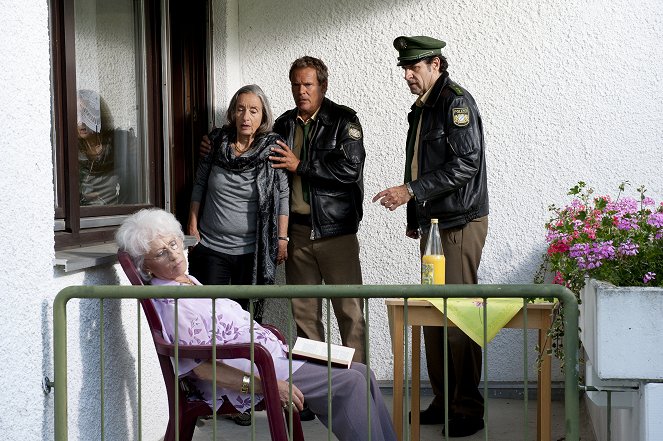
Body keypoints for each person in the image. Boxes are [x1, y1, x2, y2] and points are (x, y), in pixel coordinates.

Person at [115, 208, 397, 441]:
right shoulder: (172, 304)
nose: (174, 254)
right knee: (349, 383)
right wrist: (266, 386)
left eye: (174, 243)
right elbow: (201, 368)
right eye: (161, 253)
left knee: (361, 371)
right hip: (257, 373)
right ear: (147, 266)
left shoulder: (187, 282)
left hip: (274, 358)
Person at [373, 36, 489, 437]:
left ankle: (469, 408)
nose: (407, 75)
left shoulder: (455, 103)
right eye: (404, 68)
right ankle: (445, 401)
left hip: (459, 223)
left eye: (414, 67)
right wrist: (415, 215)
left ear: (436, 64)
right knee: (436, 314)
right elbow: (419, 165)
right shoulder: (422, 108)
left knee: (459, 316)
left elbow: (466, 165)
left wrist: (411, 193)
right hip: (435, 224)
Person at [268, 56, 367, 365]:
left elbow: (350, 169)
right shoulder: (284, 123)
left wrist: (302, 166)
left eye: (308, 84)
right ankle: (316, 390)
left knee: (350, 314)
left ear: (323, 85)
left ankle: (358, 389)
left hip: (335, 232)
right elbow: (260, 154)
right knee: (305, 317)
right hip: (297, 233)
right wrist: (215, 142)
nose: (301, 91)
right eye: (296, 85)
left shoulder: (344, 120)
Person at [188, 84, 289, 326]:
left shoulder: (272, 148)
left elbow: (283, 193)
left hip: (251, 252)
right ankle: (214, 364)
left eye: (253, 110)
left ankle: (243, 364)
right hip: (212, 247)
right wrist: (191, 226)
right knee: (211, 318)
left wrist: (282, 238)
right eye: (241, 109)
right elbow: (199, 184)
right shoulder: (215, 143)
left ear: (263, 116)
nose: (246, 117)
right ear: (233, 113)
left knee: (244, 321)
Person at [77, 89, 121, 206]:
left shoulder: (119, 144)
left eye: (86, 113)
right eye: (76, 114)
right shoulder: (71, 150)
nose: (81, 121)